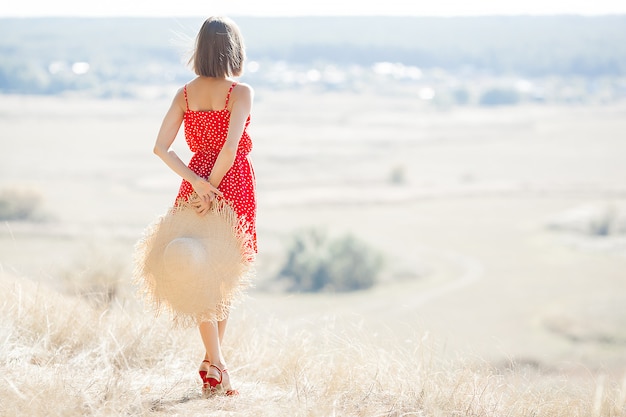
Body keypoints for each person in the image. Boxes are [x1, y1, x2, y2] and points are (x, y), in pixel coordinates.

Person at [152, 16, 256, 397]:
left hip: (196, 185)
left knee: (202, 271)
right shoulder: (240, 93)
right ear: (234, 50)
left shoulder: (184, 94)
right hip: (231, 186)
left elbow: (161, 148)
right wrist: (210, 187)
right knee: (222, 274)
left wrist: (196, 184)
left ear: (200, 49)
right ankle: (219, 365)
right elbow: (229, 149)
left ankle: (211, 363)